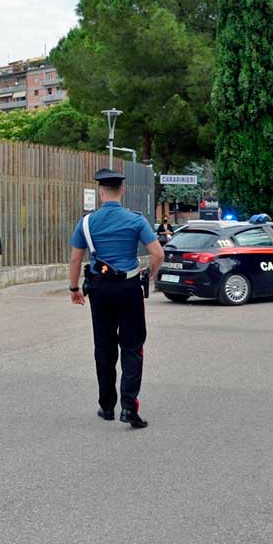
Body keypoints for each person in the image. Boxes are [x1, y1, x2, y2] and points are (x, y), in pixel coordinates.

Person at [68, 169, 164, 429]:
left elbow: (75, 259)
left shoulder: (86, 223)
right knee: (132, 347)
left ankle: (107, 406)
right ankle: (129, 408)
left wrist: (74, 288)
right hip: (129, 287)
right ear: (122, 190)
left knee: (104, 347)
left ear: (101, 192)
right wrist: (150, 273)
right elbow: (158, 254)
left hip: (99, 290)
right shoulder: (136, 220)